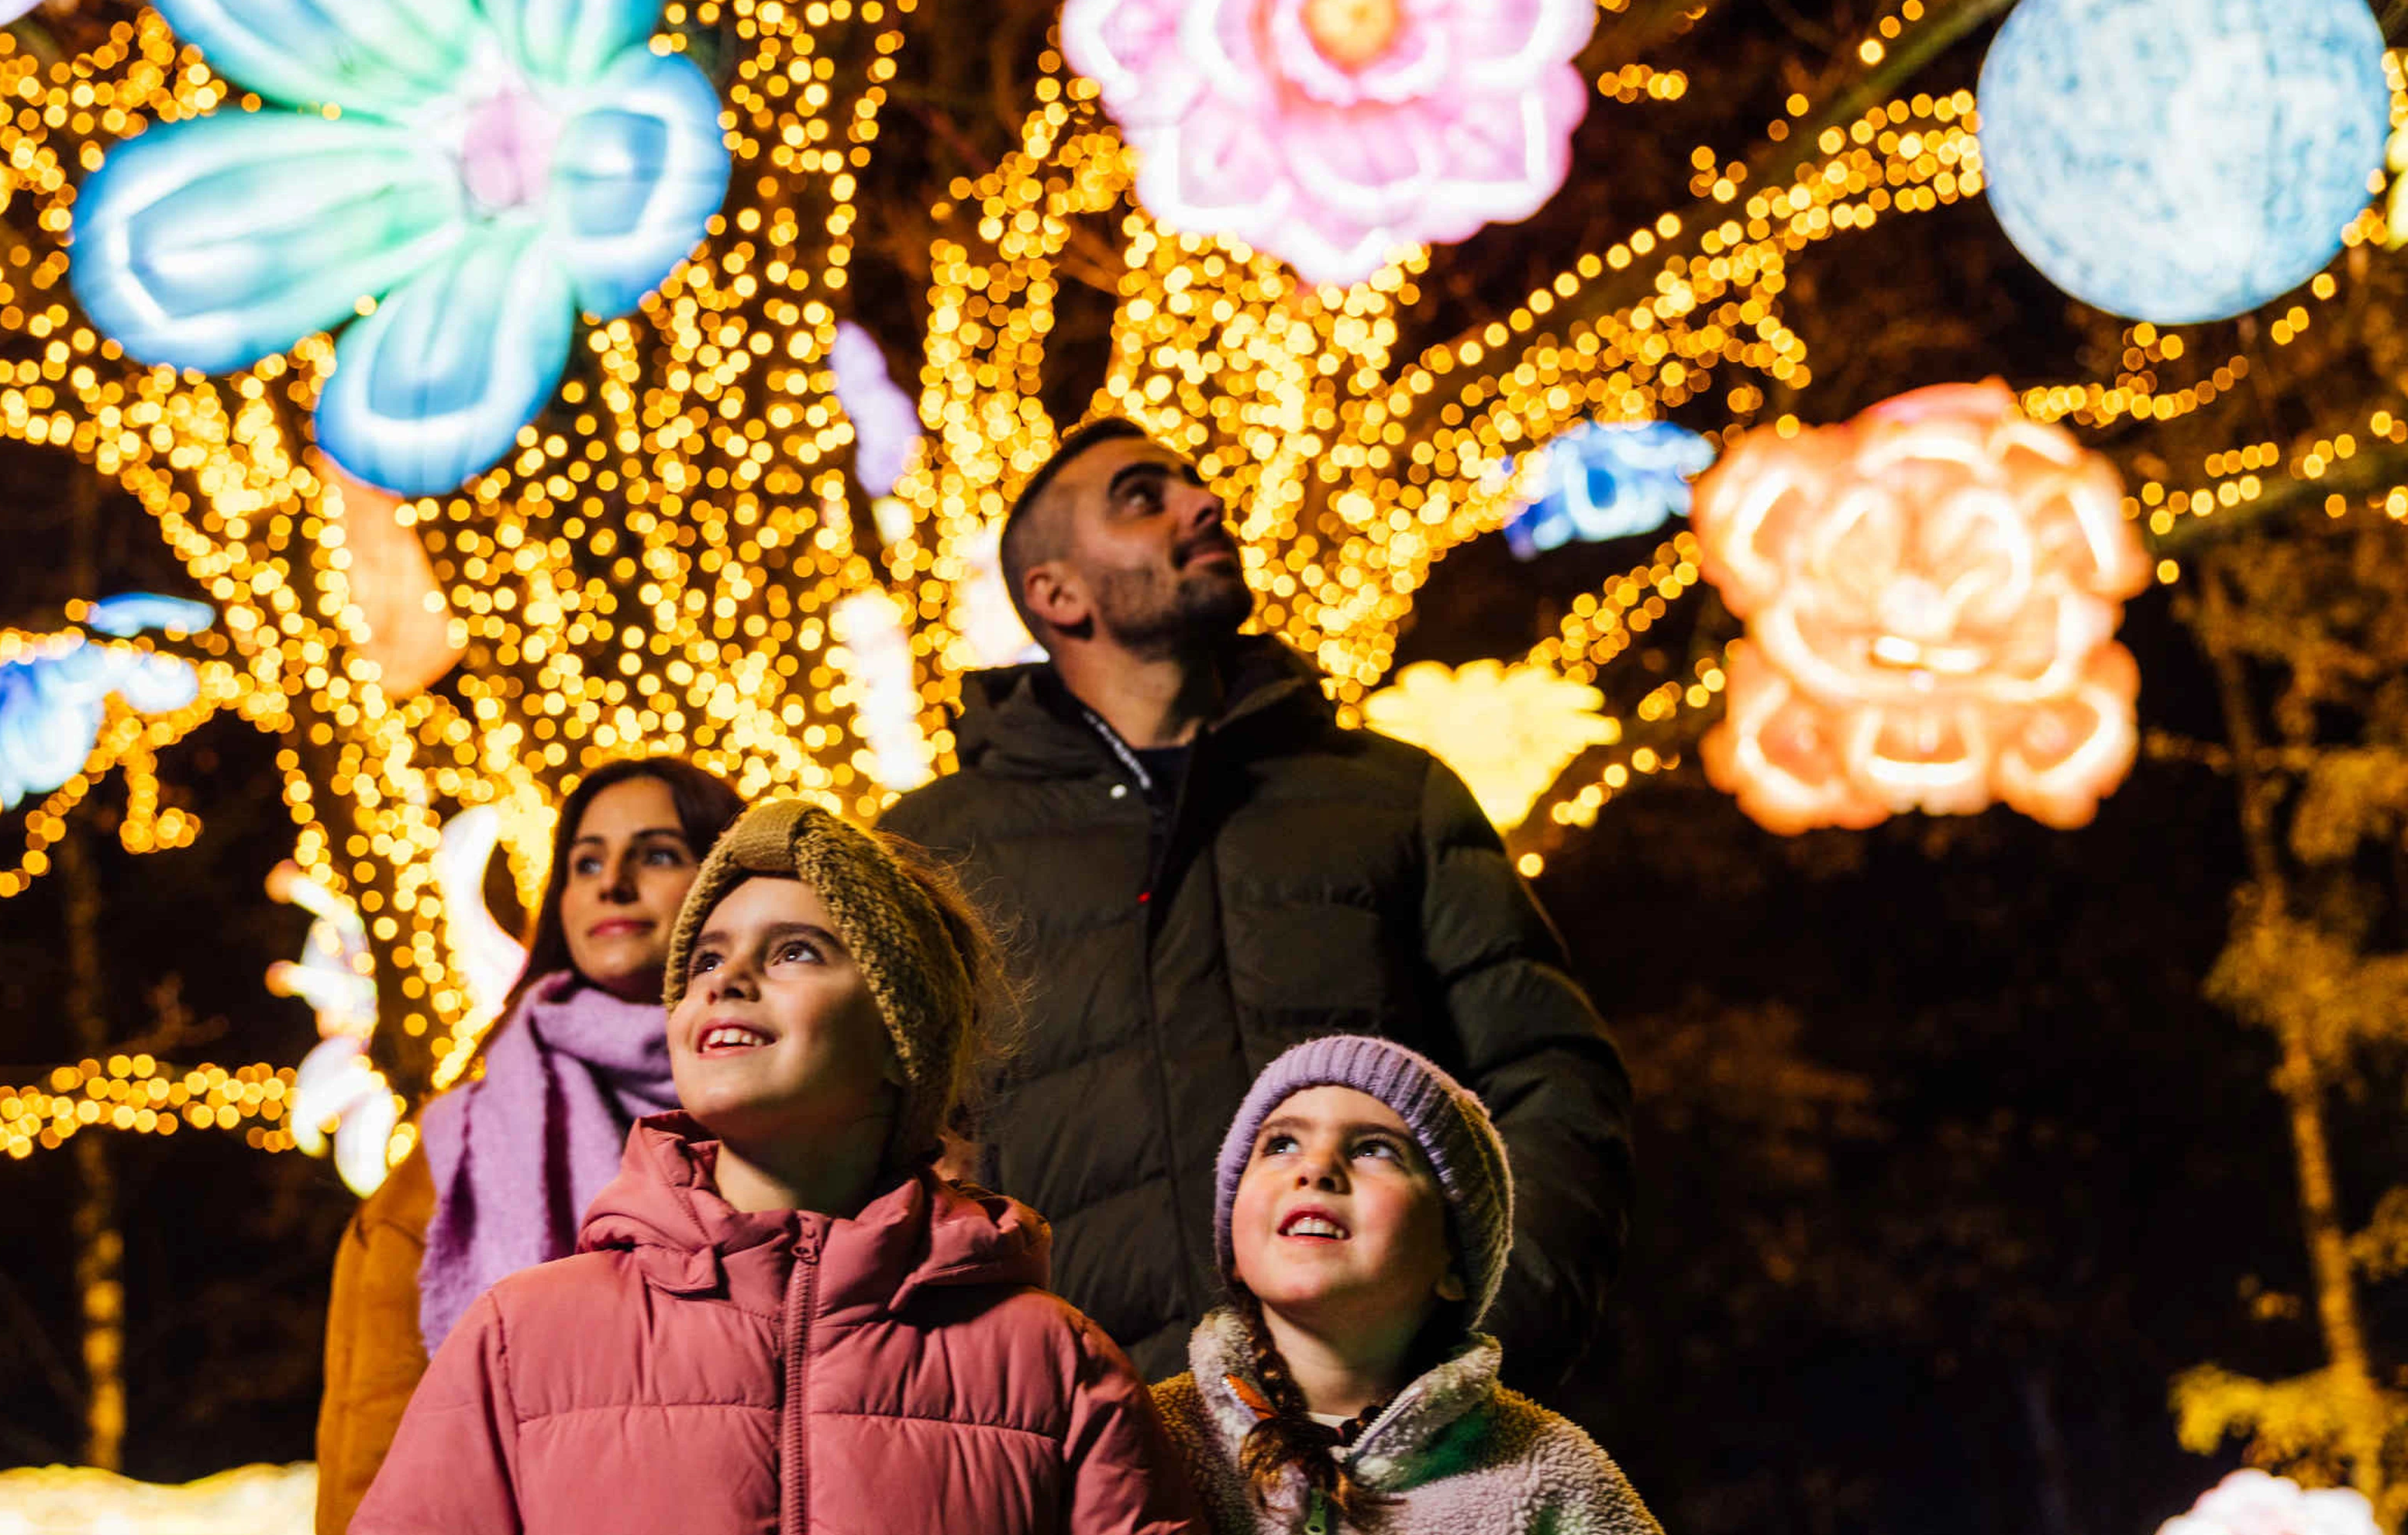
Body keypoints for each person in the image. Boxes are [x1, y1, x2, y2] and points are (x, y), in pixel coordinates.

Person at [880, 416, 1632, 1384]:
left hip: (1386, 1459)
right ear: (1056, 593)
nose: (1204, 504)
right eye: (1143, 497)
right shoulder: (932, 848)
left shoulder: (1392, 797)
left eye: (1194, 486)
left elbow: (1549, 1076)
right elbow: (876, 1155)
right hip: (1085, 1453)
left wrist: (1480, 1350)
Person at [349, 800, 1203, 1535]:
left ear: (902, 1039)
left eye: (796, 949)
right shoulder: (519, 1337)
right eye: (707, 959)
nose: (729, 980)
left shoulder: (1051, 1359)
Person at [314, 758, 745, 1535]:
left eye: (655, 852)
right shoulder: (455, 1163)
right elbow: (375, 1468)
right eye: (585, 861)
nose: (611, 882)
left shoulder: (804, 1119)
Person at [1152, 1035, 1661, 1534]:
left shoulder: (1547, 1473)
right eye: (1281, 1144)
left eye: (1375, 1149)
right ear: (1234, 1250)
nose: (1317, 1168)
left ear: (1454, 1262)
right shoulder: (1148, 1436)